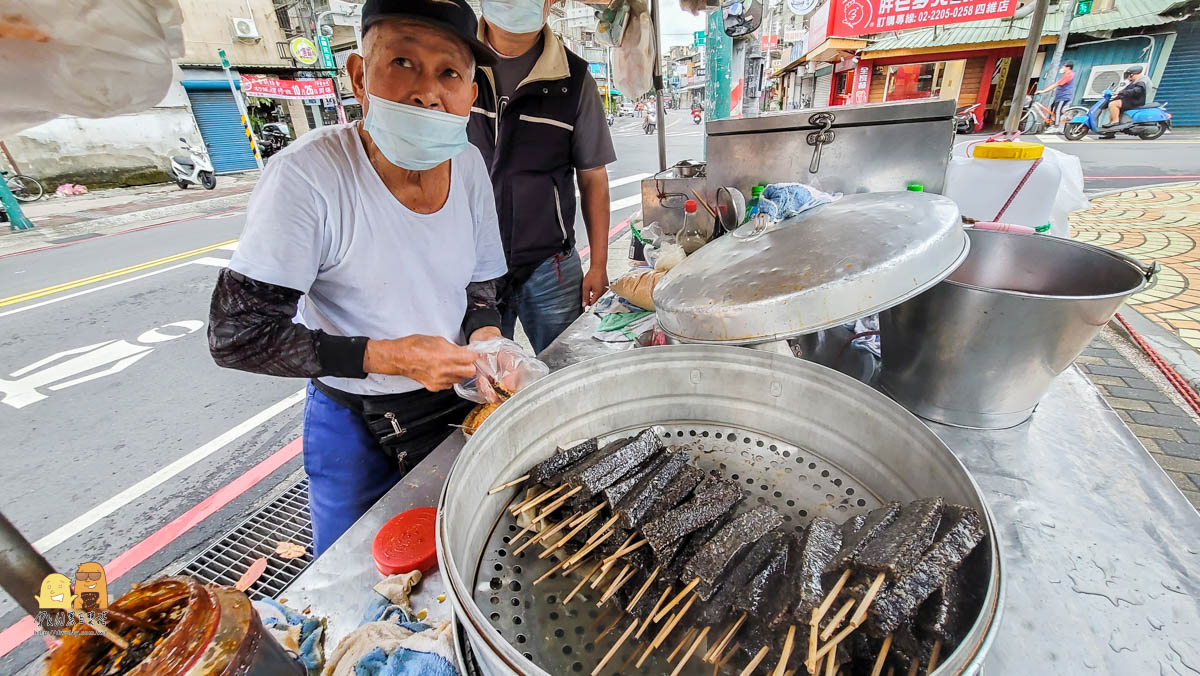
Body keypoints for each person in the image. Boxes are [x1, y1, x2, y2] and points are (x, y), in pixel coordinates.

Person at [207, 0, 508, 557]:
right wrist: (390, 356)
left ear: (470, 93)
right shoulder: (309, 176)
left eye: (449, 72)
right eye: (402, 62)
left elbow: (481, 287)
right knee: (347, 573)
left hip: (453, 400)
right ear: (358, 75)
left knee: (468, 551)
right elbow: (238, 335)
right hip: (353, 417)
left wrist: (486, 332)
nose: (427, 91)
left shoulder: (467, 164)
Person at [470, 0, 617, 353]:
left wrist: (598, 264)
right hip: (470, 265)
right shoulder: (453, 62)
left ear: (550, 3)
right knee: (484, 381)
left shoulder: (574, 79)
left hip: (550, 266)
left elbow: (593, 178)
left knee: (566, 371)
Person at [1036, 61, 1075, 131]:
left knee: (1057, 110)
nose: (1062, 68)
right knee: (1053, 107)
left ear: (1068, 68)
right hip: (1060, 96)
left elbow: (1056, 84)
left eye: (1064, 66)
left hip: (1064, 96)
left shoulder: (1069, 75)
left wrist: (1043, 91)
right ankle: (1057, 120)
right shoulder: (1066, 74)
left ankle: (1056, 126)